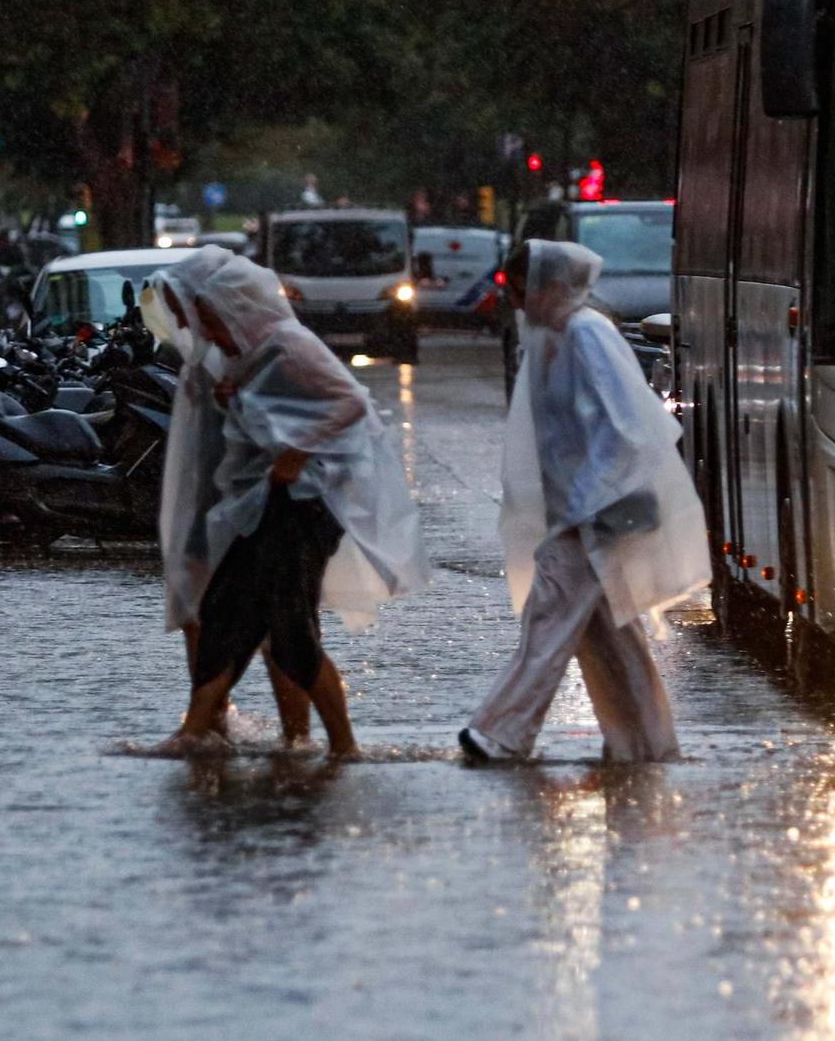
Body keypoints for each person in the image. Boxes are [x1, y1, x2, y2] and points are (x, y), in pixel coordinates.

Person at [157, 256, 428, 757]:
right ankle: (200, 730)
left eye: (210, 319)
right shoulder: (252, 351)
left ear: (236, 309)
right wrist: (235, 396)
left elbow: (351, 403)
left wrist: (297, 454)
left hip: (302, 506)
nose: (206, 332)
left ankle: (338, 744)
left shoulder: (288, 343)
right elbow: (272, 412)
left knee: (288, 631)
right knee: (226, 615)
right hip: (265, 505)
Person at [460, 241, 708, 765]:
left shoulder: (586, 334)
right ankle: (644, 742)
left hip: (597, 511)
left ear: (551, 287)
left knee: (549, 617)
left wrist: (585, 503)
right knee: (609, 635)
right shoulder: (552, 338)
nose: (516, 302)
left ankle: (500, 732)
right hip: (580, 510)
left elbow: (623, 426)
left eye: (521, 290)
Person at [142, 247, 312, 746]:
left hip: (256, 507)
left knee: (279, 630)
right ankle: (212, 723)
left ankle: (297, 736)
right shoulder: (207, 352)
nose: (178, 319)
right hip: (211, 506)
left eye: (182, 306)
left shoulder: (261, 351)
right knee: (202, 617)